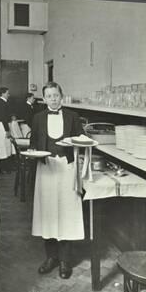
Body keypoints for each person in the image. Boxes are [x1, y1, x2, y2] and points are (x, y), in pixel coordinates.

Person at [30, 81, 85, 279]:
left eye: (56, 95)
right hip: (46, 168)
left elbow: (82, 138)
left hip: (67, 167)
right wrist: (35, 152)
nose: (53, 99)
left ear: (61, 96)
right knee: (48, 212)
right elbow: (34, 142)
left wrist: (75, 142)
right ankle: (51, 257)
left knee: (67, 213)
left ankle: (65, 261)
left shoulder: (72, 116)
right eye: (49, 96)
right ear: (43, 99)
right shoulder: (37, 117)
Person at [0, 87, 13, 173]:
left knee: (1, 146)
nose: (9, 95)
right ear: (3, 93)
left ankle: (3, 167)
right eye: (7, 93)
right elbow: (3, 118)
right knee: (3, 147)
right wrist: (7, 130)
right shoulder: (2, 103)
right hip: (1, 126)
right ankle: (3, 168)